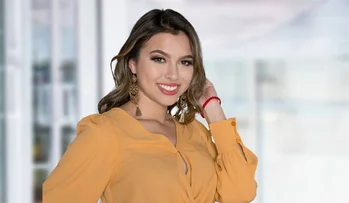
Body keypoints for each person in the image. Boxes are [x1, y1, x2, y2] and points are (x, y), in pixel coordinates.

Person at [43, 9, 258, 203]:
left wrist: (213, 110)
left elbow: (240, 194)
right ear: (133, 64)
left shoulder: (196, 132)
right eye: (159, 59)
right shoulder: (105, 133)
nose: (173, 74)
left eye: (185, 62)